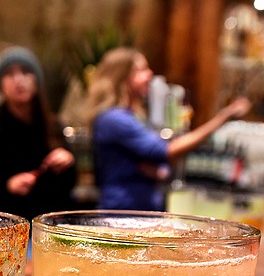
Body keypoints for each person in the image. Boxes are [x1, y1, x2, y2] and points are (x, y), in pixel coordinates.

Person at [87, 47, 250, 211]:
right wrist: (223, 118)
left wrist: (160, 171)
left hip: (138, 212)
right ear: (122, 76)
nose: (150, 74)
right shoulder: (114, 119)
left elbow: (162, 166)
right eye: (142, 70)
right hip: (121, 215)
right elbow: (166, 151)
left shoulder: (133, 116)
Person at [0, 47, 77, 219]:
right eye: (9, 74)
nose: (18, 80)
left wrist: (68, 160)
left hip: (52, 227)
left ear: (36, 80)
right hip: (11, 227)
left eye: (26, 72)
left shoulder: (53, 126)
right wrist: (8, 185)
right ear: (1, 85)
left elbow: (71, 183)